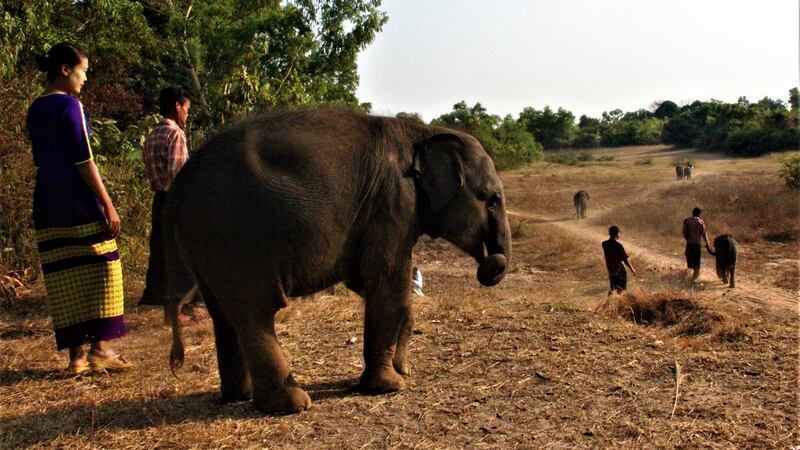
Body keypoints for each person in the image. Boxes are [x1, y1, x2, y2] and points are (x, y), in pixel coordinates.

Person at [26, 42, 132, 374]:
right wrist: (108, 204)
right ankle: (100, 348)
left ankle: (77, 357)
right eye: (83, 70)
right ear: (65, 70)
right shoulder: (70, 107)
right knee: (106, 264)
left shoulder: (35, 108)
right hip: (76, 196)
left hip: (46, 197)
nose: (85, 78)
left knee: (64, 273)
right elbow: (84, 161)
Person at [138, 85, 207, 322]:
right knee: (183, 253)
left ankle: (169, 304)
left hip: (160, 199)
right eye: (186, 109)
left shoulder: (152, 135)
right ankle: (179, 309)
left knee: (163, 252)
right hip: (175, 199)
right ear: (177, 106)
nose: (187, 115)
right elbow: (179, 176)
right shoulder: (175, 135)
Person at [602, 226, 636, 296]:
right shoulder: (618, 245)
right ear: (617, 234)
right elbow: (625, 259)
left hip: (611, 270)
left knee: (613, 287)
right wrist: (632, 269)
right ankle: (619, 302)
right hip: (619, 270)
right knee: (621, 288)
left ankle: (608, 302)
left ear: (609, 233)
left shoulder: (604, 244)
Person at [682, 207, 710, 282]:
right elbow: (704, 233)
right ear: (699, 214)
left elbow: (684, 231)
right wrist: (707, 243)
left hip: (690, 243)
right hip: (697, 243)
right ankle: (696, 272)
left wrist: (686, 238)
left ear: (693, 212)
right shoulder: (701, 222)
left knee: (688, 255)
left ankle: (693, 269)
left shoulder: (687, 220)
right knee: (696, 258)